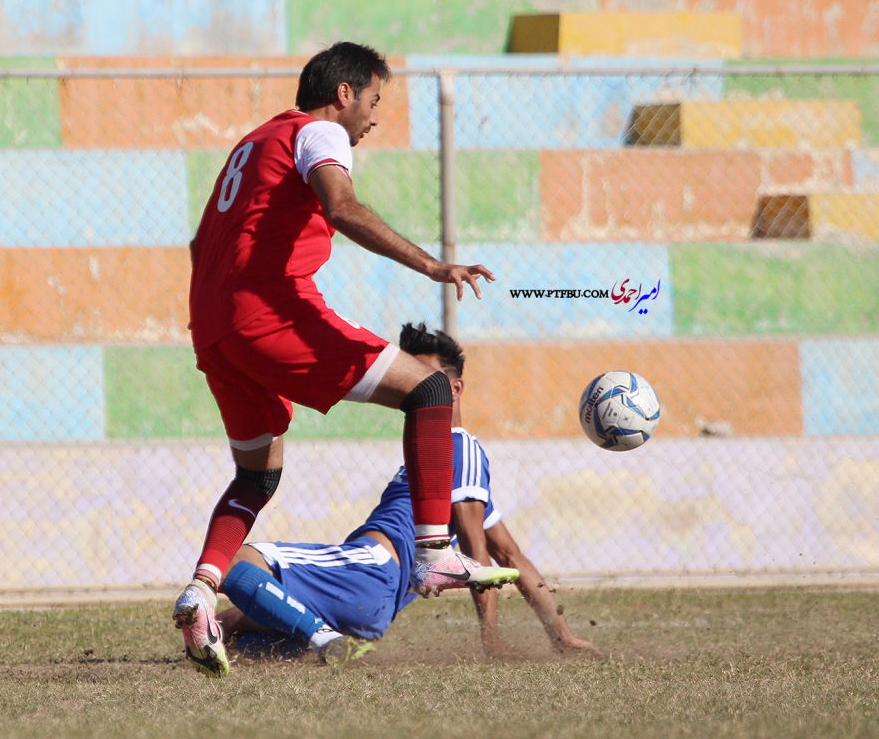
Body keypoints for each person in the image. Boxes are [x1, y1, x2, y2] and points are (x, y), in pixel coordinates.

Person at [174, 42, 516, 678]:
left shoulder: (252, 143)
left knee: (257, 478)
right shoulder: (318, 133)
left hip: (214, 330)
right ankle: (435, 552)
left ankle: (200, 592)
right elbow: (343, 207)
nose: (374, 117)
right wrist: (434, 266)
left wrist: (226, 311)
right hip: (268, 317)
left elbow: (202, 242)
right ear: (344, 94)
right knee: (431, 393)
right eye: (374, 100)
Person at [212, 323, 598, 667]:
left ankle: (323, 637)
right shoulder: (447, 458)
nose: (412, 383)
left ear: (455, 388)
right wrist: (561, 637)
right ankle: (312, 637)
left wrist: (490, 638)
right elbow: (512, 557)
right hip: (375, 608)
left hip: (370, 567)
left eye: (424, 375)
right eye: (408, 374)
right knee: (247, 633)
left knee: (232, 563)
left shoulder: (455, 445)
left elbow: (475, 550)